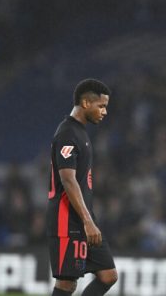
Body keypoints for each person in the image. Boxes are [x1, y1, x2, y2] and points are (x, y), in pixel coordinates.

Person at [46, 79, 117, 296]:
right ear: (86, 103)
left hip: (83, 217)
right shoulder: (68, 133)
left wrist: (88, 219)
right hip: (67, 219)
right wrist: (87, 222)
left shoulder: (80, 132)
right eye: (101, 106)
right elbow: (68, 180)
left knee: (108, 275)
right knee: (67, 284)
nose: (104, 112)